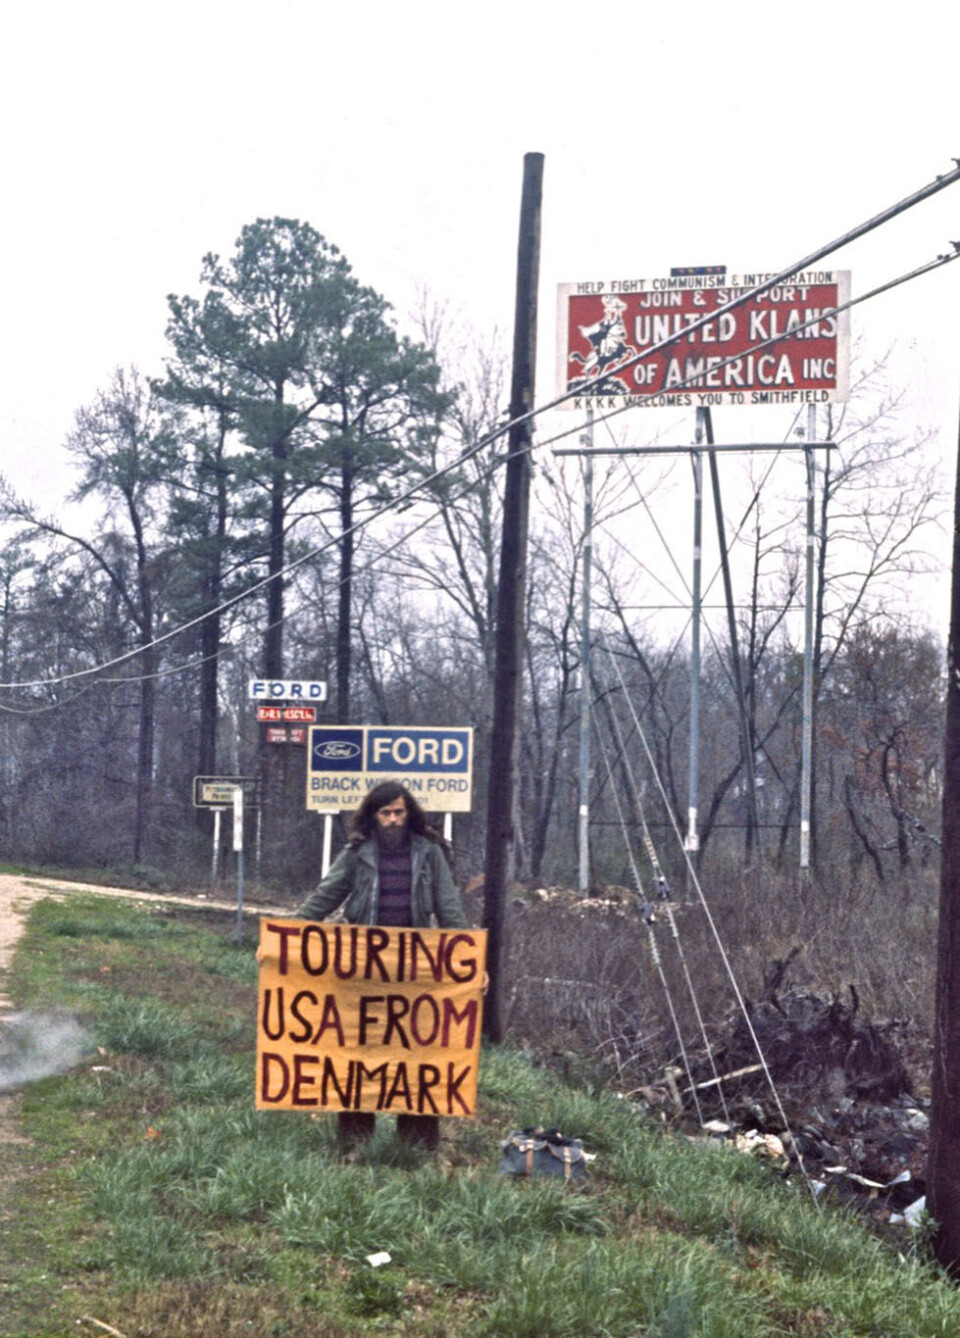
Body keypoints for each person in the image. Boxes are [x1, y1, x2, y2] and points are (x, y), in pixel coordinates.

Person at [294, 780, 469, 1151]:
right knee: (358, 1054)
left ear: (410, 814)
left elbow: (449, 907)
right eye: (385, 813)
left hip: (415, 973)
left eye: (399, 812)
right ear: (373, 817)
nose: (392, 819)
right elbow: (324, 897)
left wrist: (469, 960)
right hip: (363, 973)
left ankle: (417, 1143)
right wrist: (284, 938)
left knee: (418, 1057)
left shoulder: (430, 853)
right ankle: (355, 1141)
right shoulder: (357, 854)